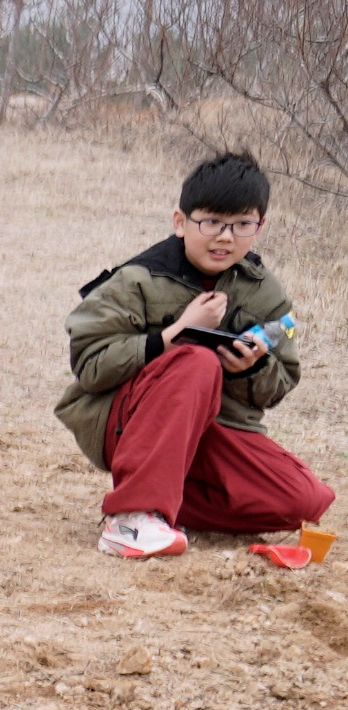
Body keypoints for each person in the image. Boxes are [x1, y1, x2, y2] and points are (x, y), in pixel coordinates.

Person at [63, 149, 320, 561]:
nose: (225, 237)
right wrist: (173, 335)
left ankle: (164, 501)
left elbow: (279, 386)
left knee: (304, 501)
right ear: (180, 222)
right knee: (196, 360)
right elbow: (91, 367)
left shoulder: (265, 292)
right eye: (211, 222)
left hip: (212, 429)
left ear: (260, 226)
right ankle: (131, 519)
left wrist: (251, 368)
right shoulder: (137, 279)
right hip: (125, 424)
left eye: (242, 225)